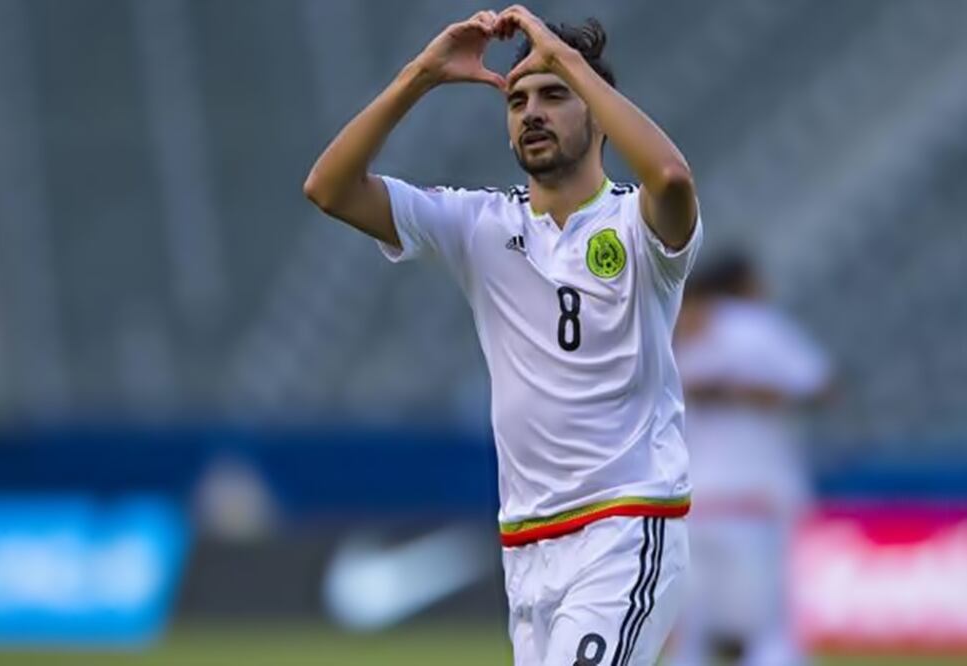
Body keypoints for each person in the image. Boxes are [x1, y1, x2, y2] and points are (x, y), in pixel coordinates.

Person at [304, 6, 702, 665]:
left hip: (624, 528)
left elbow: (673, 177)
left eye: (554, 95)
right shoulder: (479, 225)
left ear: (600, 113)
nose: (531, 113)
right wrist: (421, 75)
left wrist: (565, 56)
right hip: (527, 548)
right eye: (517, 101)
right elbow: (330, 187)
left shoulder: (638, 225)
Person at [670, 255, 832, 666]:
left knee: (696, 631)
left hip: (695, 499)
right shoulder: (755, 327)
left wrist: (727, 392)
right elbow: (819, 384)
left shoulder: (664, 328)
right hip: (748, 497)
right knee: (766, 630)